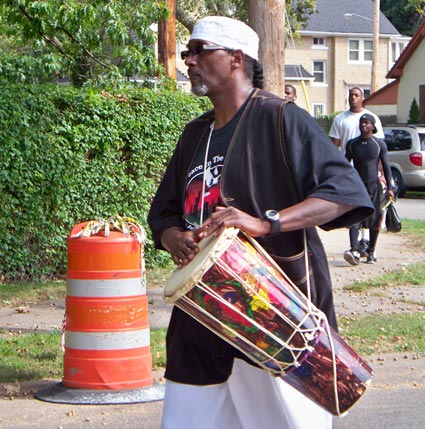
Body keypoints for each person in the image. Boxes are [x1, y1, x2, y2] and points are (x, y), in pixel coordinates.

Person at [148, 16, 373, 429]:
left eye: (200, 50)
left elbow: (344, 191)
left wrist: (266, 222)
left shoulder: (281, 117)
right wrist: (173, 236)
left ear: (237, 58)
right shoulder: (194, 134)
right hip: (202, 320)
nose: (189, 60)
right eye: (187, 52)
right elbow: (161, 213)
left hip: (275, 314)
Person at [329, 86, 385, 259]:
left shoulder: (372, 117)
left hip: (370, 175)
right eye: (351, 95)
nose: (353, 98)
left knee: (372, 211)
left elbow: (380, 151)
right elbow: (334, 146)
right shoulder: (340, 119)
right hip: (351, 173)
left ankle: (366, 243)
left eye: (357, 95)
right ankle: (355, 247)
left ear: (362, 98)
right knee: (355, 210)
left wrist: (381, 174)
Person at [343, 114, 395, 265]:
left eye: (366, 123)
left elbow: (386, 167)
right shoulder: (352, 144)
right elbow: (345, 165)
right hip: (357, 186)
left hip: (375, 187)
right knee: (355, 218)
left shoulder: (379, 144)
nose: (363, 125)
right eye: (361, 123)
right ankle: (354, 251)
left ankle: (371, 252)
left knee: (374, 219)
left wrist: (390, 188)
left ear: (373, 126)